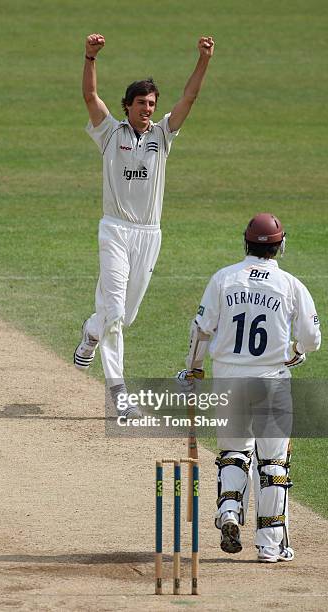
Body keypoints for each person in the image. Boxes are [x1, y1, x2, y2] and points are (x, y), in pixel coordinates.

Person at [74, 33, 215, 417]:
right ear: (128, 106)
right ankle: (119, 394)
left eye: (152, 104)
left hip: (149, 236)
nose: (148, 109)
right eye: (141, 103)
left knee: (123, 316)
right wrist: (90, 57)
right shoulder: (110, 133)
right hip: (115, 231)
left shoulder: (162, 136)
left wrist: (203, 60)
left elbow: (189, 99)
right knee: (116, 313)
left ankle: (90, 332)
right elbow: (90, 98)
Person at [178, 213, 321, 562]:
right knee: (272, 463)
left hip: (228, 379)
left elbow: (201, 331)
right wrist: (296, 352)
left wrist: (193, 371)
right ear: (280, 245)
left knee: (234, 453)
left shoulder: (224, 279)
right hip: (271, 382)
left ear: (245, 241)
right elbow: (312, 339)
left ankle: (229, 511)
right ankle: (270, 547)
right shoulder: (290, 285)